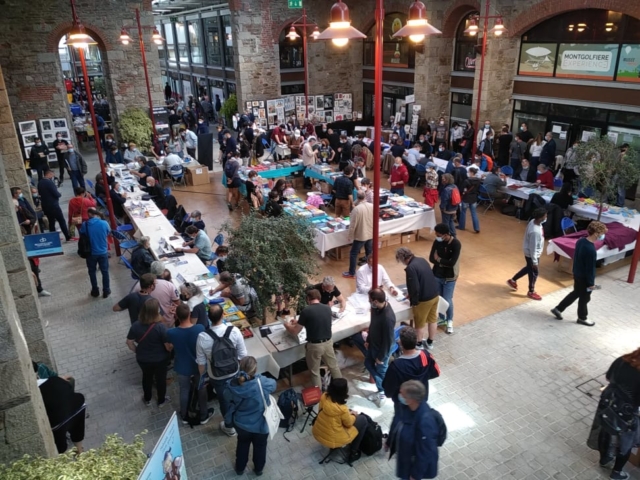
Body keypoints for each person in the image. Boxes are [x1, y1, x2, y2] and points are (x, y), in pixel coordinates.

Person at [588, 348, 640, 480]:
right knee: (625, 443)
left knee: (606, 432)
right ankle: (616, 472)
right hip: (626, 413)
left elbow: (608, 377)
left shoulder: (623, 359)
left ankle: (604, 459)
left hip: (608, 403)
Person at [196, 304, 247, 437]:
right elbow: (242, 355)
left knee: (223, 401)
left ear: (208, 318)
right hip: (234, 372)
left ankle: (229, 427)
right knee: (236, 397)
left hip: (217, 376)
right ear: (223, 314)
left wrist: (203, 378)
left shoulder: (202, 337)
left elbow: (201, 364)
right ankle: (240, 421)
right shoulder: (234, 331)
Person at [225, 356, 276, 476]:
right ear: (255, 369)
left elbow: (226, 397)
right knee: (260, 447)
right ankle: (258, 469)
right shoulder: (262, 383)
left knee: (242, 444)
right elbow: (274, 385)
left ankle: (240, 468)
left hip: (242, 425)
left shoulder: (233, 386)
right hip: (261, 425)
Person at [551, 221, 607, 327]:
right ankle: (582, 318)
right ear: (596, 233)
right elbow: (590, 269)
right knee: (585, 298)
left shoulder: (581, 241)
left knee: (576, 292)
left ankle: (558, 309)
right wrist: (591, 283)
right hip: (585, 278)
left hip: (577, 273)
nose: (602, 235)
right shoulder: (591, 250)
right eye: (602, 233)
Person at [284, 289, 342, 387]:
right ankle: (341, 389)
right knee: (334, 367)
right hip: (328, 343)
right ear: (319, 298)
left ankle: (318, 395)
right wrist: (299, 322)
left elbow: (295, 331)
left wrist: (287, 326)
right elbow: (317, 320)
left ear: (308, 299)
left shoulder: (306, 311)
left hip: (314, 346)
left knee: (315, 372)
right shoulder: (327, 308)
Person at [167, 303, 213, 425]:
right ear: (189, 315)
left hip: (182, 366)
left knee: (184, 390)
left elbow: (168, 348)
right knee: (201, 389)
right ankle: (203, 415)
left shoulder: (172, 333)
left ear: (176, 316)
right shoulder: (199, 328)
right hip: (199, 365)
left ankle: (184, 415)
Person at [386, 380, 442, 480]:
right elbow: (396, 423)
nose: (399, 396)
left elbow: (425, 452)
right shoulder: (404, 406)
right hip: (405, 455)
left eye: (402, 394)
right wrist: (390, 441)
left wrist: (416, 475)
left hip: (412, 461)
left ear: (411, 399)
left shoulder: (425, 422)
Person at [126, 298, 171, 407]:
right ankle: (161, 400)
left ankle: (147, 399)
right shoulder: (160, 327)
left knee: (147, 378)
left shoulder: (136, 325)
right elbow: (167, 347)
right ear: (157, 312)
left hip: (143, 359)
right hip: (160, 360)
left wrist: (137, 351)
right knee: (161, 379)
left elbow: (129, 342)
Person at [312, 378, 369, 464]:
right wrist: (353, 415)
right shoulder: (342, 409)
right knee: (363, 420)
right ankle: (353, 452)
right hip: (335, 438)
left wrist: (348, 413)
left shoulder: (324, 396)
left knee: (348, 414)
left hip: (318, 432)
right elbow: (349, 424)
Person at [383, 327, 440, 413]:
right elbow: (436, 372)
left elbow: (388, 391)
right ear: (416, 340)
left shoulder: (396, 366)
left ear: (401, 343)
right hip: (421, 398)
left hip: (403, 405)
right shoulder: (425, 356)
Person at [396, 247, 440, 350]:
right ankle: (430, 342)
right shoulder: (422, 260)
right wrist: (410, 294)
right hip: (434, 295)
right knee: (432, 319)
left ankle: (419, 343)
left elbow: (415, 286)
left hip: (424, 300)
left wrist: (414, 301)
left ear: (402, 258)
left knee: (419, 323)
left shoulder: (411, 267)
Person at [360, 288, 396, 405]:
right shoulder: (376, 309)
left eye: (370, 300)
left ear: (375, 301)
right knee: (368, 363)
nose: (369, 302)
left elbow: (388, 340)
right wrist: (369, 339)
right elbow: (373, 324)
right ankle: (382, 389)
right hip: (373, 344)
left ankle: (382, 392)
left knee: (381, 371)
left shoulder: (387, 318)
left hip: (382, 349)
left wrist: (380, 357)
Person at [37, 370, 86, 454]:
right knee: (78, 430)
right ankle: (79, 451)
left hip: (58, 423)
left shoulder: (36, 393)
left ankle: (65, 455)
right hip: (78, 408)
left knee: (59, 441)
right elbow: (69, 387)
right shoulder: (54, 379)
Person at [507, 208, 547, 301]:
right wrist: (534, 261)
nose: (546, 217)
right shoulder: (535, 232)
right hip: (532, 254)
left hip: (530, 252)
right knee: (534, 273)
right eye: (545, 216)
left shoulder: (534, 221)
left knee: (528, 268)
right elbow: (533, 248)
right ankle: (531, 291)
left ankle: (512, 280)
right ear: (540, 217)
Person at [429, 223, 461, 335]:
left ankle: (450, 320)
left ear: (446, 234)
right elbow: (431, 258)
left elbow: (452, 262)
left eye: (439, 235)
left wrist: (439, 260)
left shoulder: (456, 244)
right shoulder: (437, 242)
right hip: (437, 275)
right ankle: (441, 318)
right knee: (439, 298)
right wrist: (442, 262)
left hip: (449, 277)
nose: (437, 237)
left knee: (447, 300)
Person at [135, 261, 180, 328]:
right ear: (163, 272)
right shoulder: (170, 285)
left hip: (146, 321)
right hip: (166, 321)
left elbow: (135, 300)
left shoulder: (139, 284)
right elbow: (177, 303)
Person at [80, 207, 111, 298]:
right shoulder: (104, 223)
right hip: (103, 251)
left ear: (88, 214)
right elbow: (108, 232)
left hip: (91, 253)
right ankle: (106, 290)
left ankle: (95, 290)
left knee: (92, 272)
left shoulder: (85, 225)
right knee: (105, 272)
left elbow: (82, 234)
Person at [343, 192, 373, 279]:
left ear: (357, 197)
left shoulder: (356, 210)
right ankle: (370, 269)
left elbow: (353, 225)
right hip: (370, 233)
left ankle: (352, 272)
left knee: (353, 253)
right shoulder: (372, 206)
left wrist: (350, 235)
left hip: (361, 235)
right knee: (369, 252)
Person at [38, 169, 71, 241]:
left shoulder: (40, 182)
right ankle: (67, 236)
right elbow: (55, 193)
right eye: (52, 175)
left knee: (51, 222)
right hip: (53, 205)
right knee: (61, 220)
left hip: (46, 206)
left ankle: (53, 238)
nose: (53, 176)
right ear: (49, 174)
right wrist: (59, 194)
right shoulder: (49, 182)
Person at [459, 167, 481, 233]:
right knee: (474, 213)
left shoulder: (467, 181)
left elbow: (462, 189)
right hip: (474, 197)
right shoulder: (478, 180)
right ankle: (476, 227)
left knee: (463, 212)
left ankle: (461, 226)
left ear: (471, 172)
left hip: (466, 197)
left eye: (468, 172)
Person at [439, 173, 459, 238]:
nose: (442, 180)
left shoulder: (446, 189)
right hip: (454, 208)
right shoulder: (455, 186)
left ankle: (446, 236)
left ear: (446, 180)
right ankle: (454, 236)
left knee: (445, 223)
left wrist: (442, 208)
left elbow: (444, 200)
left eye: (443, 179)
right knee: (451, 221)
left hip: (447, 209)